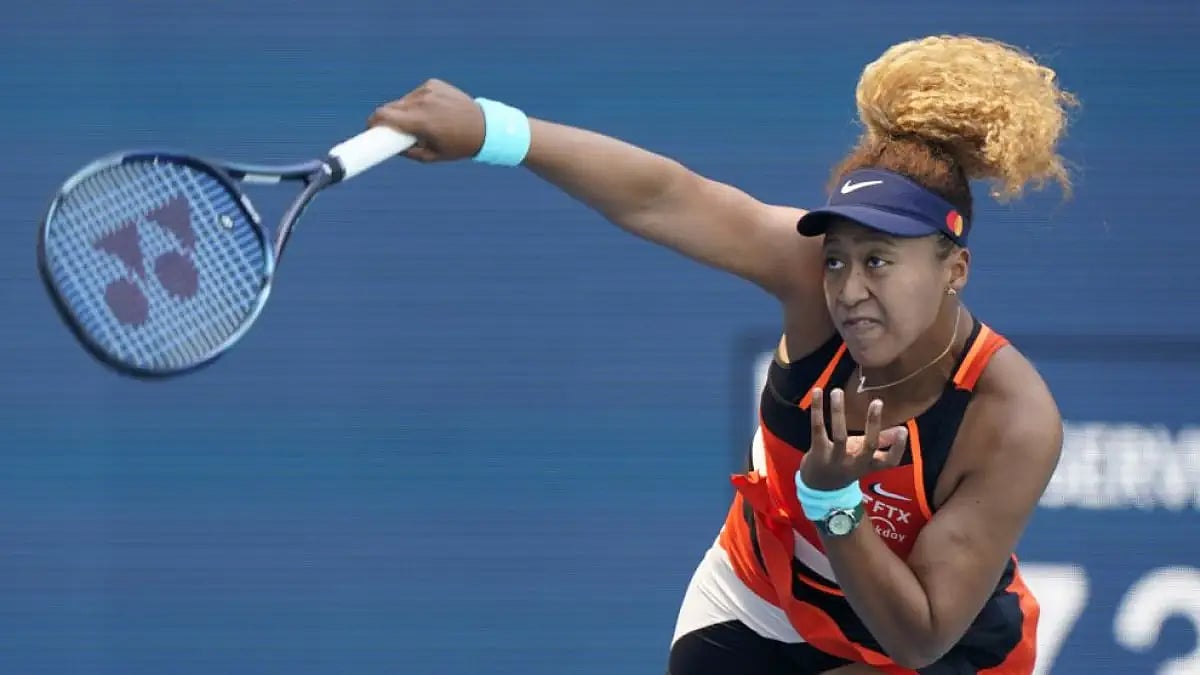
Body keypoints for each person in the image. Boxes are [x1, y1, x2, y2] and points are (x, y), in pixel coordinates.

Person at [368, 34, 1076, 674]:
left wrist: (832, 499)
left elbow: (918, 635)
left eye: (880, 261)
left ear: (954, 269)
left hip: (925, 645)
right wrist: (495, 129)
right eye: (836, 260)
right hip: (760, 591)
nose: (850, 289)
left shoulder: (1011, 417)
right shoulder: (810, 278)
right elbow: (667, 196)